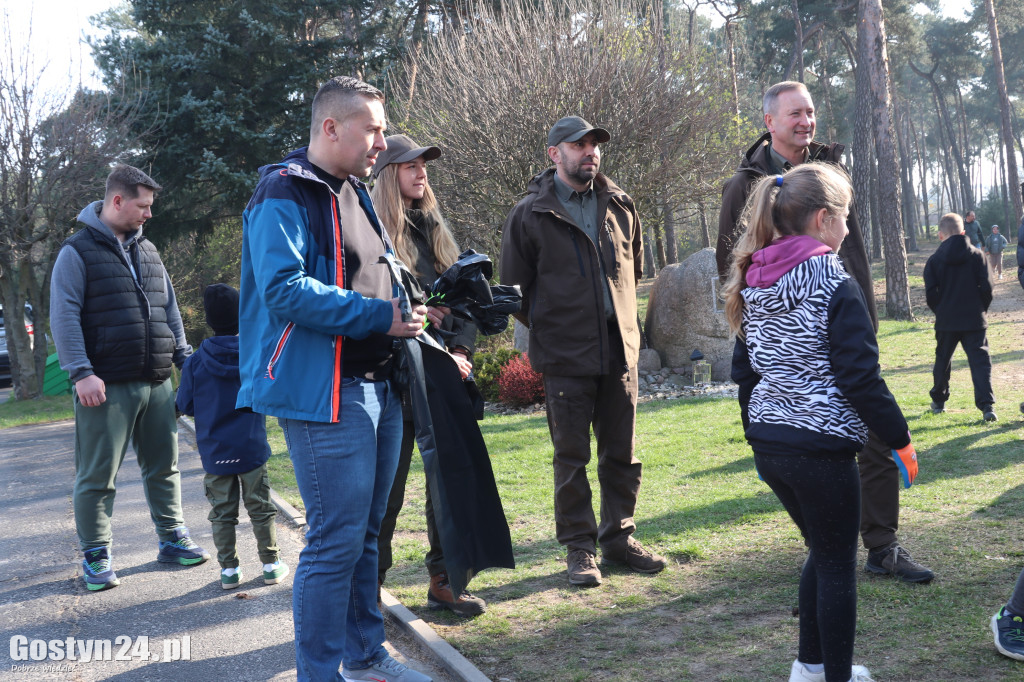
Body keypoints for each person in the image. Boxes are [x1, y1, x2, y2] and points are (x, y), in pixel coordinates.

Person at [237, 76, 431, 682]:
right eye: (372, 129)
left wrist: (410, 308)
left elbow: (372, 273)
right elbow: (284, 288)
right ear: (330, 127)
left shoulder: (355, 191)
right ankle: (318, 674)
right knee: (333, 541)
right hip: (327, 392)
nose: (383, 142)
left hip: (380, 384)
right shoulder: (283, 190)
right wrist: (377, 315)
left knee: (364, 535)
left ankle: (365, 657)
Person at [715, 81, 933, 584]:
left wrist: (859, 314)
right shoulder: (745, 185)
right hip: (785, 344)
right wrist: (752, 337)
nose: (806, 121)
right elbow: (734, 266)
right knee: (805, 449)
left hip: (844, 321)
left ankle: (882, 545)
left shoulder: (832, 169)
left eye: (810, 112)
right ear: (770, 121)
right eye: (794, 113)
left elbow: (848, 248)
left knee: (873, 432)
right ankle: (826, 549)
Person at [727, 163, 917, 682]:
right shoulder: (834, 282)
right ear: (823, 219)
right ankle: (835, 675)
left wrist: (757, 434)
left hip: (772, 445)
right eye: (846, 216)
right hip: (820, 448)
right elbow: (861, 378)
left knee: (824, 549)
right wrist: (900, 439)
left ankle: (809, 668)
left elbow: (745, 372)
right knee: (836, 563)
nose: (849, 228)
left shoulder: (755, 275)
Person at [500, 115, 666, 587]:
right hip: (565, 357)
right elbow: (515, 293)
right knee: (571, 458)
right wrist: (557, 328)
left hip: (619, 352)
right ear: (555, 154)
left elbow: (631, 272)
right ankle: (579, 548)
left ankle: (619, 539)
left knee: (622, 454)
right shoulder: (529, 214)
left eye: (594, 144)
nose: (590, 151)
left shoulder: (620, 205)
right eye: (578, 145)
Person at [50, 164, 210, 592]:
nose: (149, 214)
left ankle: (172, 539)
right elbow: (63, 316)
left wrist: (184, 358)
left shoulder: (149, 249)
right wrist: (81, 372)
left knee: (165, 467)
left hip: (157, 379)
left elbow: (168, 307)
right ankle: (96, 554)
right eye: (143, 206)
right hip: (104, 386)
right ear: (117, 201)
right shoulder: (76, 251)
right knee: (97, 475)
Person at [370, 134, 485, 616]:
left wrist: (458, 348)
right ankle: (369, 586)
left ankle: (445, 580)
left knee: (449, 487)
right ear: (388, 175)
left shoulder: (436, 232)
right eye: (410, 166)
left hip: (442, 378)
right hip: (392, 383)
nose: (421, 173)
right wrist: (416, 313)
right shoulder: (371, 234)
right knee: (385, 493)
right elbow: (371, 309)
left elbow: (464, 304)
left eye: (424, 166)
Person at [175, 284, 288, 590]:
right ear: (241, 316)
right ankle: (271, 565)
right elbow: (269, 391)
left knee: (222, 514)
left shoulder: (195, 362)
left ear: (209, 320)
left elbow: (185, 405)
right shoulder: (254, 354)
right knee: (260, 508)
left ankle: (229, 570)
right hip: (251, 447)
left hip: (215, 452)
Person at [924, 213, 996, 422]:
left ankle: (939, 401)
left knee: (942, 359)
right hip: (974, 318)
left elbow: (931, 293)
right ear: (963, 232)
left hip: (947, 319)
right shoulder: (977, 256)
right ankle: (987, 406)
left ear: (940, 235)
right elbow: (987, 288)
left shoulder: (934, 260)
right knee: (980, 362)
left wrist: (941, 310)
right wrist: (980, 309)